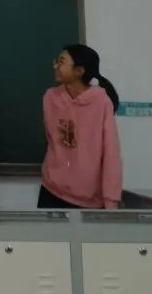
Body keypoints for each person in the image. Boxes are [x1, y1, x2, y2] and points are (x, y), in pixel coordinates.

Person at [38, 44, 122, 209]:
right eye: (57, 61)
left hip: (87, 198)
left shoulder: (101, 102)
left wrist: (111, 200)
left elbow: (111, 152)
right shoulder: (50, 97)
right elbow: (51, 140)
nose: (56, 66)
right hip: (51, 190)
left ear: (79, 70)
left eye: (62, 62)